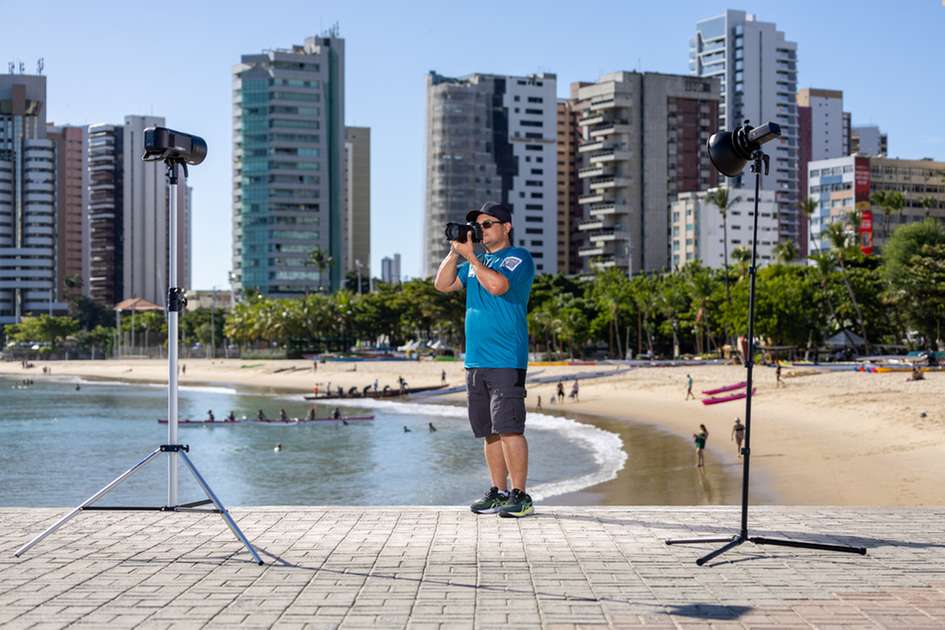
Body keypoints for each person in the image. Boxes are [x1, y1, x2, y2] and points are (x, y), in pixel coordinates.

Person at [435, 201, 536, 518]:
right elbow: (442, 284)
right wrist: (455, 252)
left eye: (488, 224)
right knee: (489, 431)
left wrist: (471, 258)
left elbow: (498, 286)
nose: (481, 230)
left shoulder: (517, 258)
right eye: (478, 226)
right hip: (475, 361)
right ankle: (498, 490)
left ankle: (521, 495)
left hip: (506, 358)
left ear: (506, 227)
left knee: (509, 429)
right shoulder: (473, 262)